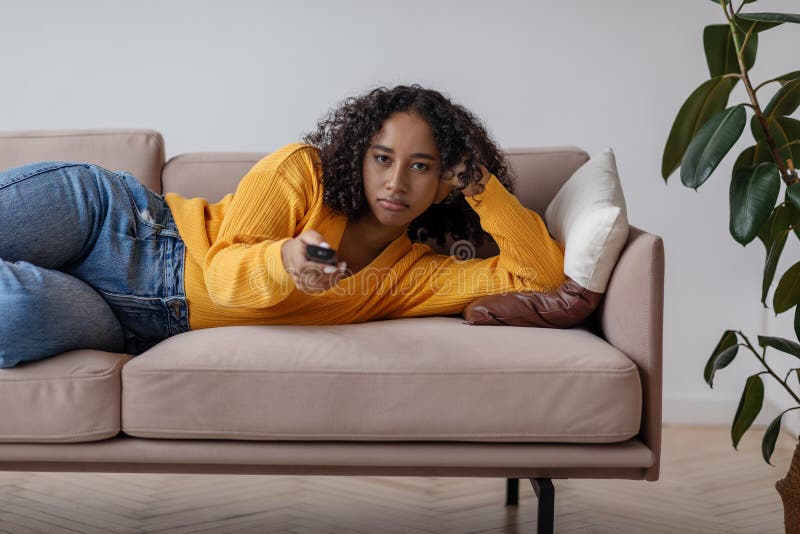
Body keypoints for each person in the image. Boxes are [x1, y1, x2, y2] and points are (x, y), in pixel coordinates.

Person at [0, 84, 566, 368]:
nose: (397, 183)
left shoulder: (412, 278)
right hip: (119, 225)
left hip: (131, 321)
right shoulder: (303, 172)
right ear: (358, 155)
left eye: (422, 167)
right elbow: (222, 274)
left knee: (15, 314)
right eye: (382, 158)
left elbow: (538, 276)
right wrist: (286, 261)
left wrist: (480, 187)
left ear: (444, 182)